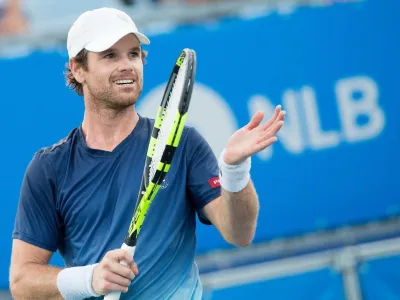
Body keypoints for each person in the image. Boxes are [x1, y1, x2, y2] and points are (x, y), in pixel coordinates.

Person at [9, 7, 285, 300]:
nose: (127, 64)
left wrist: (235, 170)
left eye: (134, 54)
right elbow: (23, 282)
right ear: (78, 69)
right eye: (110, 55)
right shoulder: (48, 168)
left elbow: (239, 233)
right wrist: (90, 278)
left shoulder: (184, 144)